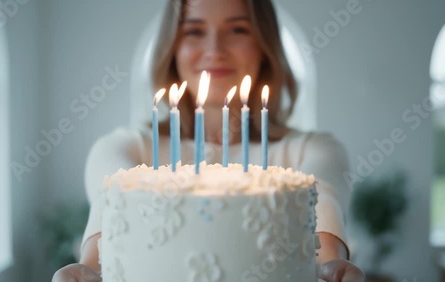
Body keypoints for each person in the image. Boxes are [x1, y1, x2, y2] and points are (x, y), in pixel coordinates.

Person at [53, 0, 366, 281]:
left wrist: (329, 262)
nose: (215, 48)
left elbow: (323, 198)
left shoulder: (313, 149)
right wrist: (91, 266)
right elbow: (110, 201)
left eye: (238, 29)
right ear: (172, 47)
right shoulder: (126, 147)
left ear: (264, 43)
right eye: (194, 31)